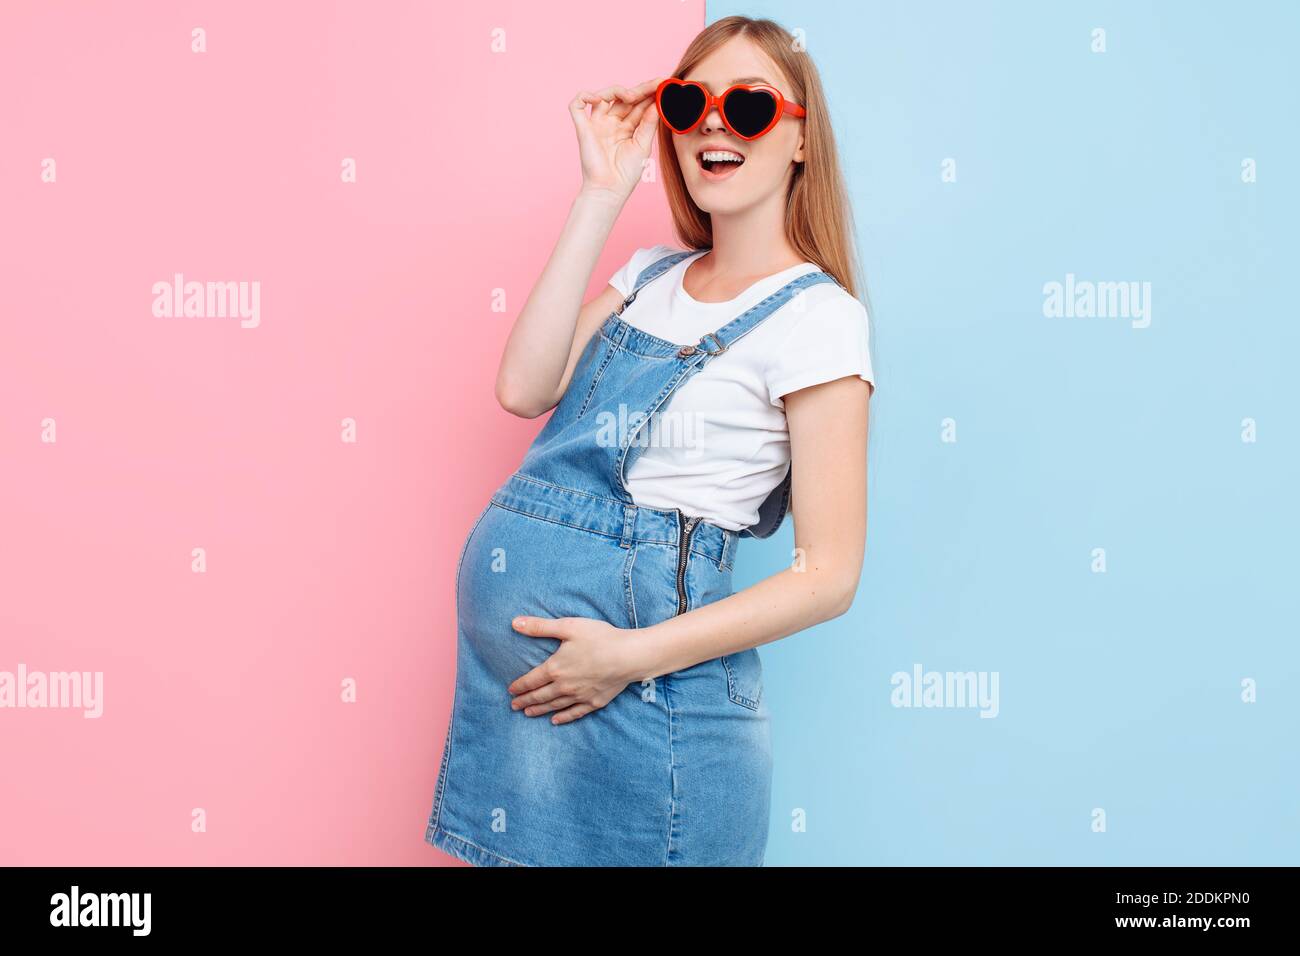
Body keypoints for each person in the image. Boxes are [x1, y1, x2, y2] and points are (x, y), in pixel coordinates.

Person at [424, 15, 875, 866]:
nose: (711, 121)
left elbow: (829, 577)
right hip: (528, 710)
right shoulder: (650, 278)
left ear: (802, 138)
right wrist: (602, 192)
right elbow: (524, 387)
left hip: (656, 706)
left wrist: (626, 658)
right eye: (686, 100)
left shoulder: (820, 321)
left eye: (746, 106)